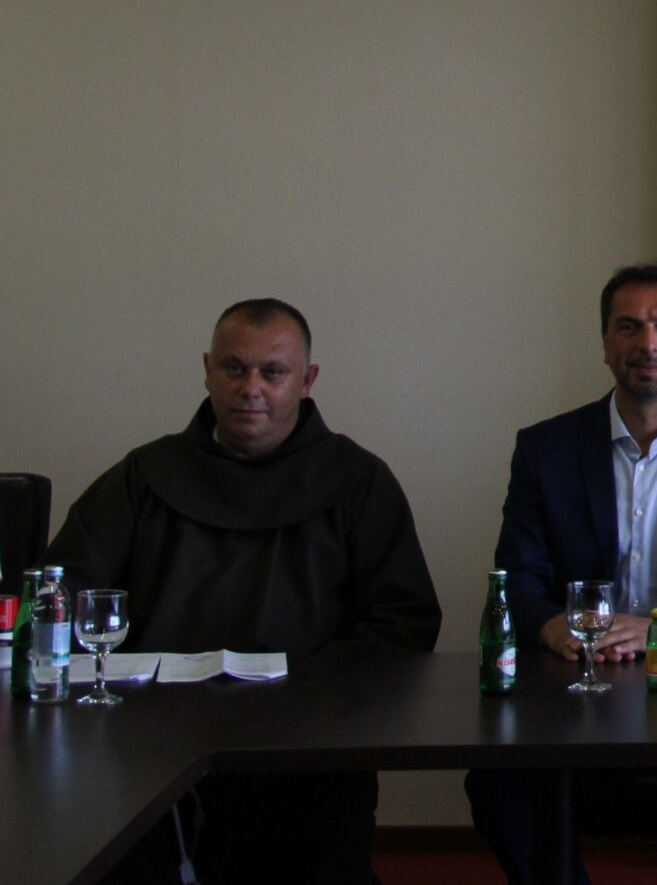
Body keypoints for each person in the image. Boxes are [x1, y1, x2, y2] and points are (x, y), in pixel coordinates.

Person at [49, 297, 442, 884]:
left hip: (308, 742)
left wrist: (308, 697)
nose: (250, 388)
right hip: (150, 743)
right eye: (234, 368)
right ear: (208, 370)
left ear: (307, 381)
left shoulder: (358, 481)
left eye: (272, 372)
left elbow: (403, 620)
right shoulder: (145, 475)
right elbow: (64, 595)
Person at [463, 263, 657, 883]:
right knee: (497, 786)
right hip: (574, 684)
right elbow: (516, 579)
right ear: (606, 343)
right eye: (629, 327)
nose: (648, 343)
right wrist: (551, 625)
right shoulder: (546, 448)